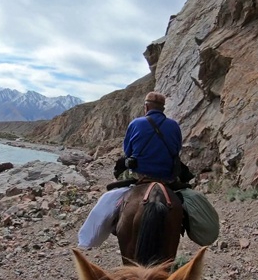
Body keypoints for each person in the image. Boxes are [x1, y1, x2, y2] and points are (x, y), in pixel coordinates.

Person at [77, 92, 187, 249]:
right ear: (163, 109)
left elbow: (128, 152)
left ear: (146, 107)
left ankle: (88, 240)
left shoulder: (135, 124)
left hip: (138, 175)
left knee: (109, 198)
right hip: (167, 177)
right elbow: (177, 150)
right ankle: (187, 224)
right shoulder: (174, 126)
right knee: (187, 199)